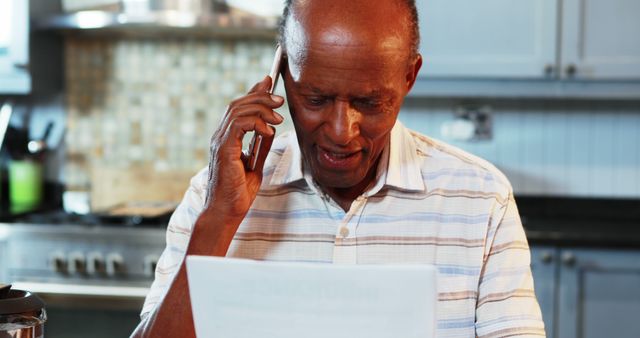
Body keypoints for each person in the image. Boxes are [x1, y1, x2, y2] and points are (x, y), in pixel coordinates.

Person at [132, 0, 545, 337]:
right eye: (316, 99)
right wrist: (220, 219)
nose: (341, 131)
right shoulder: (214, 195)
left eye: (369, 103)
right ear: (281, 76)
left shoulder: (481, 200)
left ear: (409, 77)